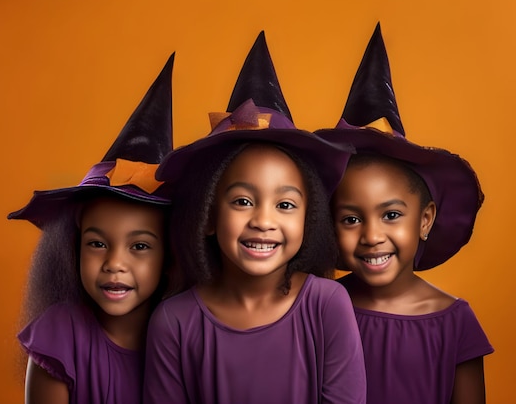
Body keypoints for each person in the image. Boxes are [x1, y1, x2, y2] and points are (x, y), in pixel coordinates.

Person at [143, 32, 366, 404]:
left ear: (307, 220)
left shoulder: (328, 304)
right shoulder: (173, 322)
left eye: (285, 205)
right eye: (243, 201)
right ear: (208, 216)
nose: (264, 221)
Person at [316, 23, 494, 404]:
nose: (371, 235)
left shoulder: (454, 320)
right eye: (350, 219)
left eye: (391, 215)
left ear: (425, 219)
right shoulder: (316, 308)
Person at [8, 54, 175, 404]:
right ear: (74, 247)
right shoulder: (60, 335)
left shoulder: (186, 336)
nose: (114, 263)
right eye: (97, 244)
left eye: (140, 246)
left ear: (171, 253)